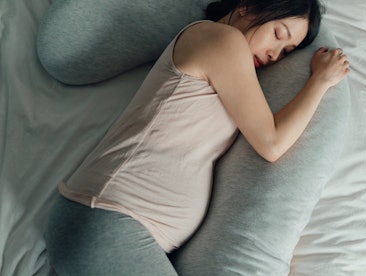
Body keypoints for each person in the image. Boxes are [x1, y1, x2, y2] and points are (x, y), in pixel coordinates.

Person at [43, 0, 349, 275]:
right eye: (278, 35)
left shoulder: (229, 60)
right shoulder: (221, 40)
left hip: (118, 227)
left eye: (286, 52)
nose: (274, 54)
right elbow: (271, 143)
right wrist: (320, 81)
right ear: (248, 6)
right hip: (108, 218)